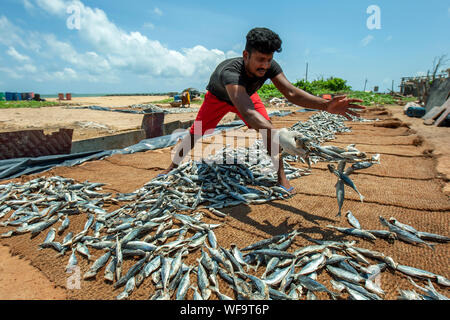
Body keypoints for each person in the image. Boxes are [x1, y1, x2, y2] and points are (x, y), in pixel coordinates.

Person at [160, 27, 364, 194]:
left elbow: (291, 93)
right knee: (197, 131)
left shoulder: (269, 65)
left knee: (267, 131)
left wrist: (325, 105)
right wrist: (281, 136)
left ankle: (281, 177)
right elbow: (248, 113)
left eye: (268, 60)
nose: (265, 65)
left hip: (247, 96)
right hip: (219, 98)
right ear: (246, 55)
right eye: (260, 60)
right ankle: (172, 167)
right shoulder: (230, 72)